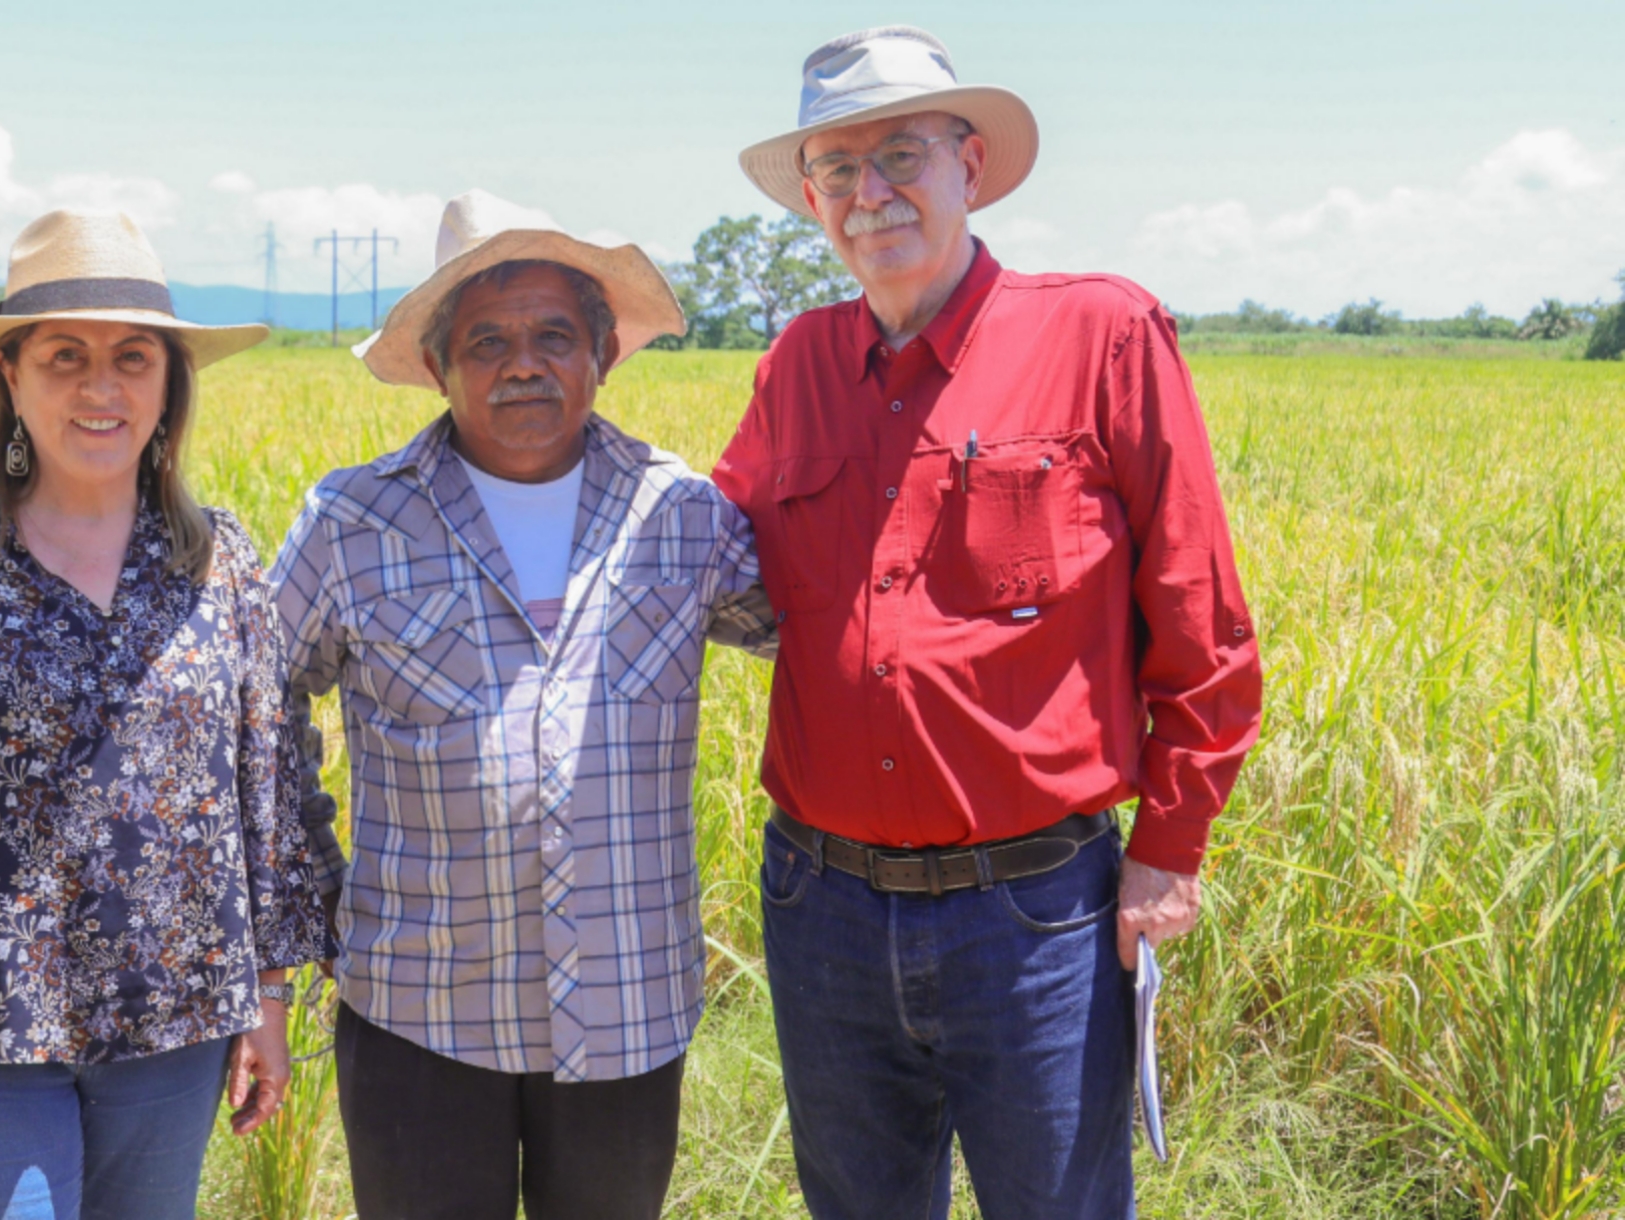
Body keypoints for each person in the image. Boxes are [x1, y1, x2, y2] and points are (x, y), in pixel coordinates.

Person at [714, 26, 1265, 1220]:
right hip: (824, 906)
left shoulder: (1099, 334)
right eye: (841, 169)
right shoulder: (797, 362)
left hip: (1034, 913)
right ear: (812, 197)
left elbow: (1202, 619)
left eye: (901, 153)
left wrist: (1168, 850)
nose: (873, 194)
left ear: (970, 162)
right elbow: (704, 557)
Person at [0, 209, 332, 1220]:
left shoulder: (222, 563)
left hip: (176, 1023)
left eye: (133, 356)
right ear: (9, 372)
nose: (100, 387)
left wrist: (267, 995)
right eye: (64, 356)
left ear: (170, 378)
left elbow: (266, 785)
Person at [269, 190, 778, 1220]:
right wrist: (307, 885)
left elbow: (834, 635)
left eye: (554, 334)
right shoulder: (351, 519)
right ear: (436, 365)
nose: (523, 362)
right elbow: (255, 700)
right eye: (486, 339)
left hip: (628, 1008)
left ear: (604, 354)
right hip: (420, 1007)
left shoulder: (682, 516)